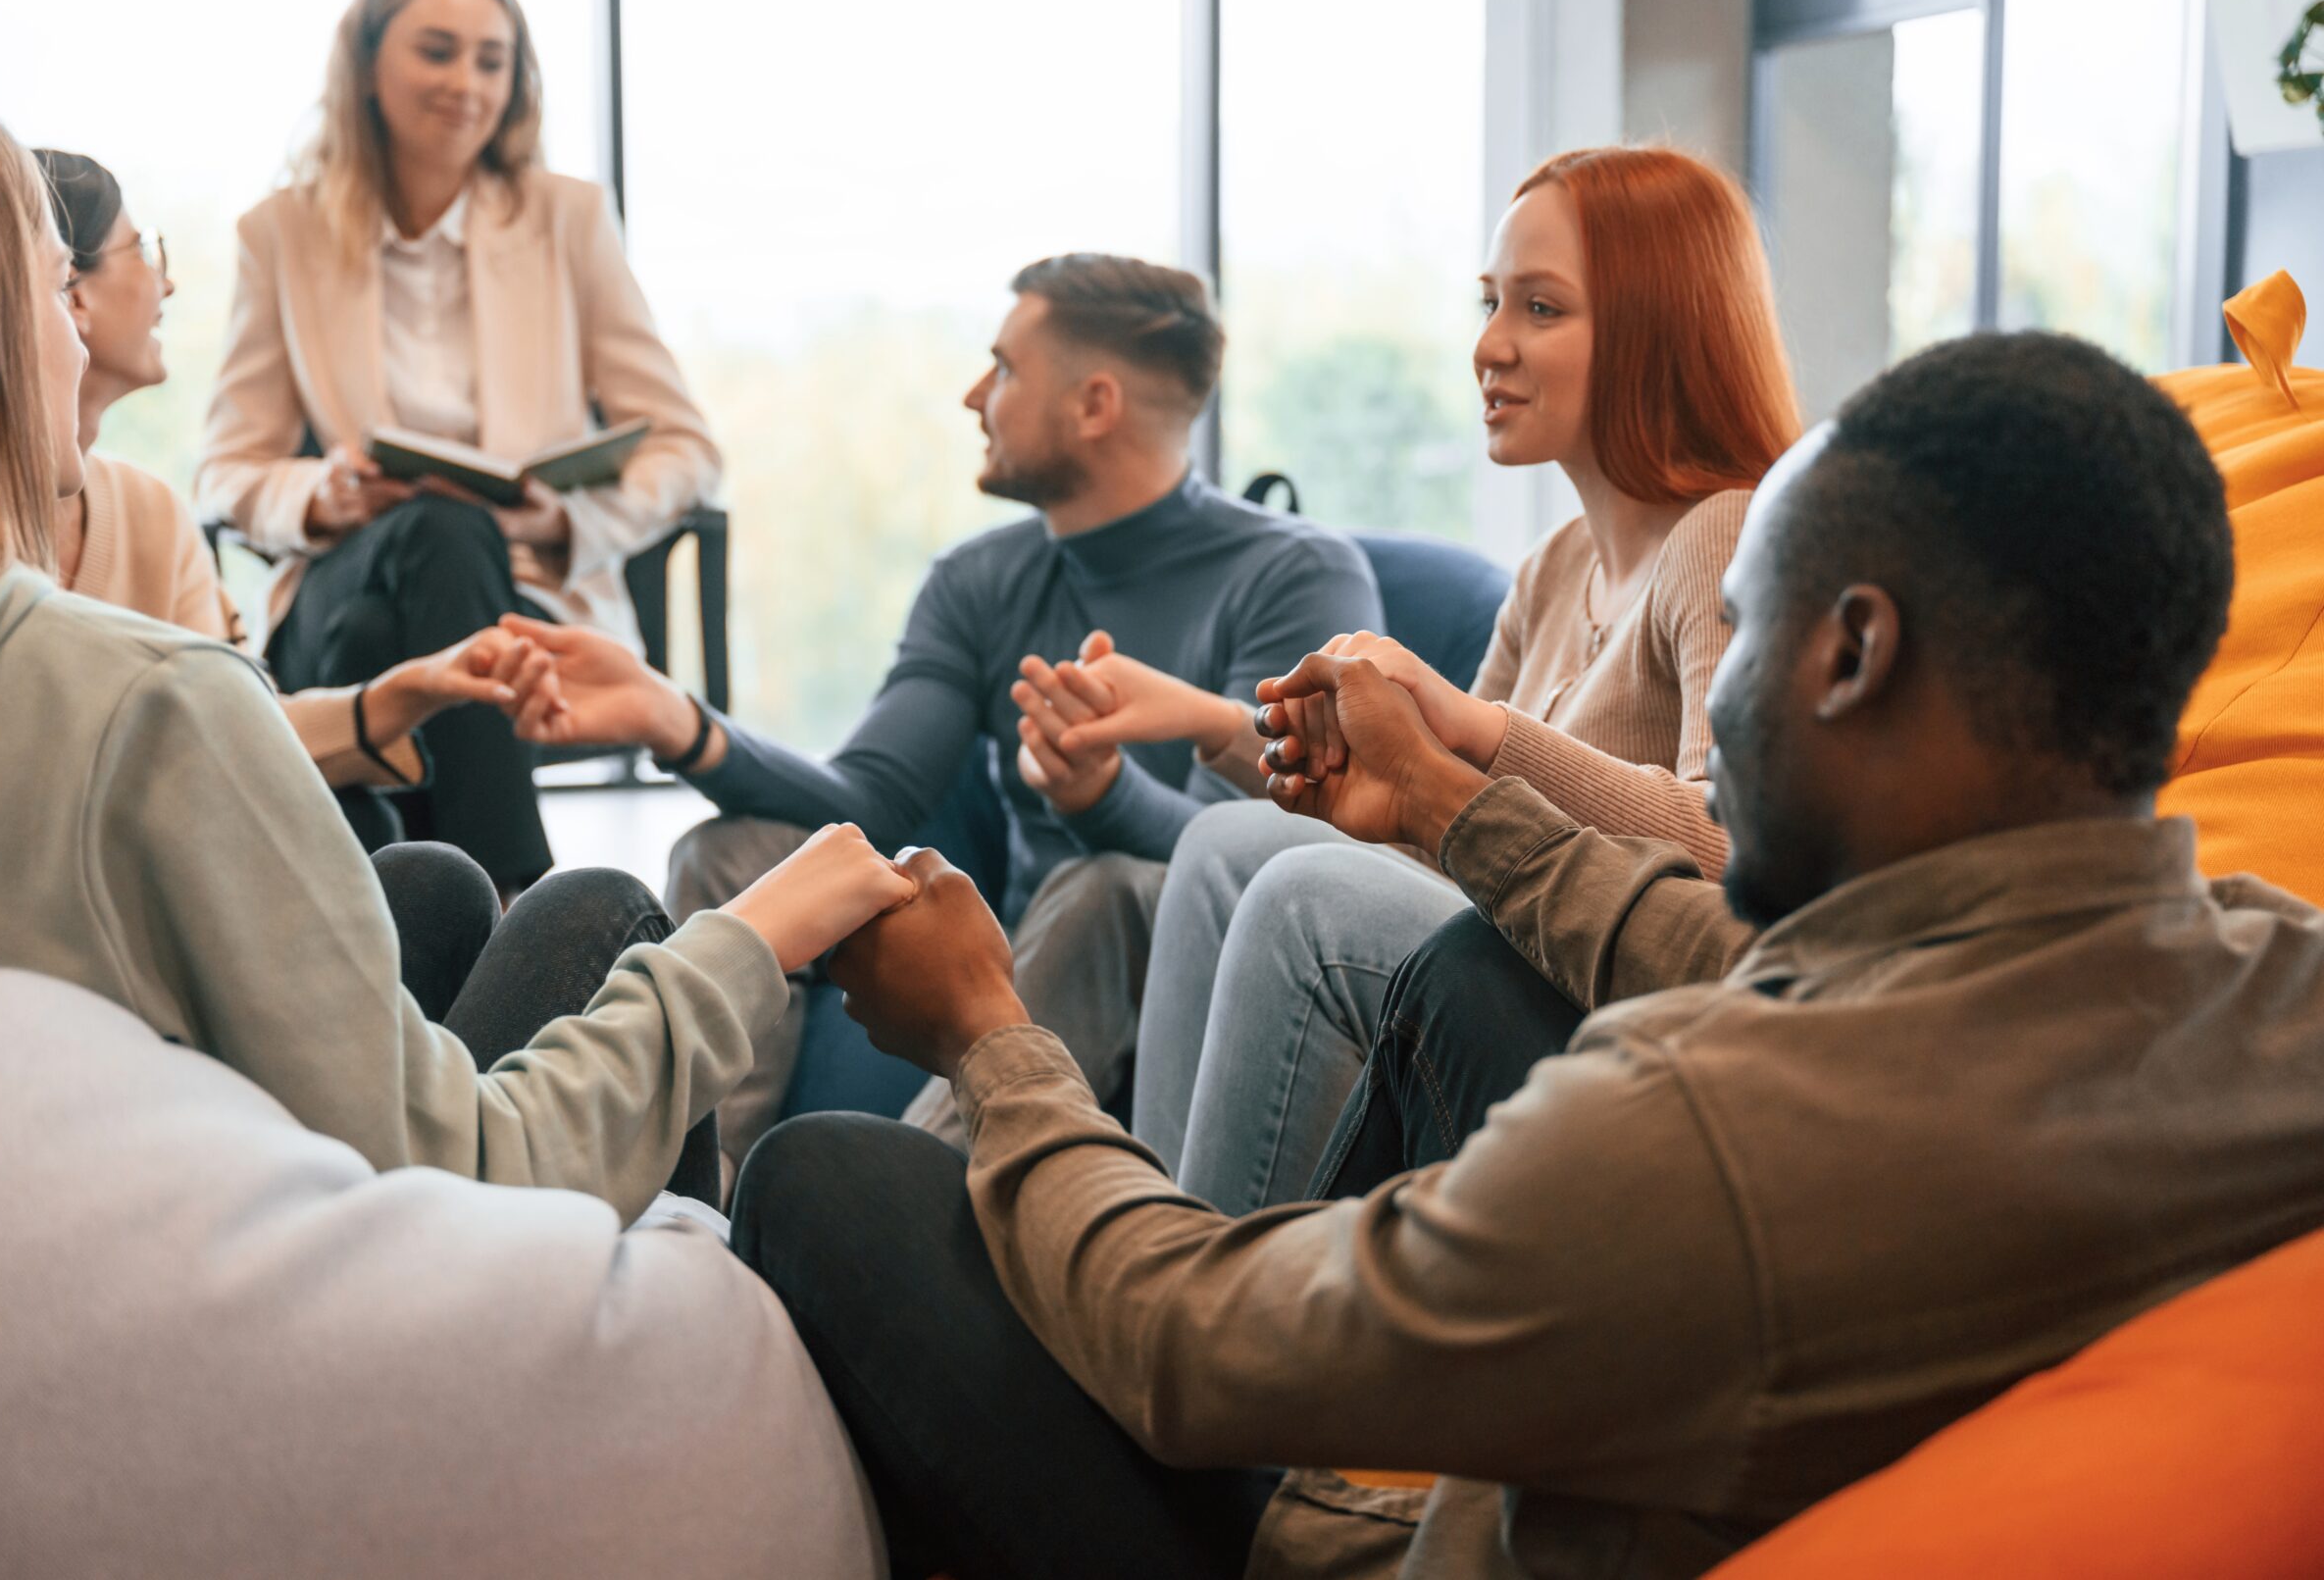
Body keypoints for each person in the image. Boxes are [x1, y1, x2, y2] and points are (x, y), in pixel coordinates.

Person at [730, 331, 2324, 1580]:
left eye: (1751, 631)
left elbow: (1189, 1343)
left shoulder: (1701, 1133)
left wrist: (988, 1036)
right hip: (1745, 1396)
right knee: (1479, 975)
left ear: (1850, 649)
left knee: (829, 1183)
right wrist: (1442, 806)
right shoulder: (2278, 979)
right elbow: (1763, 961)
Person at [0, 73, 903, 1224]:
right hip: (265, 1298)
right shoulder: (154, 703)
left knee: (426, 888)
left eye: (493, 60)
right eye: (54, 288)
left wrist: (516, 557)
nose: (80, 338)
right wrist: (747, 941)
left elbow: (673, 443)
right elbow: (464, 1170)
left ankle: (489, 847)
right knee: (597, 912)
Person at [1020, 146, 1799, 1212]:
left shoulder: (1725, 530)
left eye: (1539, 307)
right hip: (1504, 945)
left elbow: (1731, 841)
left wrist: (1481, 732)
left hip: (1599, 994)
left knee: (1298, 892)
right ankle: (1151, 1249)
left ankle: (1176, 1294)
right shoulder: (1557, 563)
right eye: (1490, 303)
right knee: (1220, 842)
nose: (1489, 345)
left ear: (1659, 325)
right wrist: (1211, 722)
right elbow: (1405, 800)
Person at [520, 253, 1380, 1174]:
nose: (976, 395)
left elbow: (1272, 859)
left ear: (1095, 405)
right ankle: (705, 1202)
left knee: (1108, 889)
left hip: (1174, 962)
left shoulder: (1296, 574)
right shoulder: (979, 581)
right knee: (726, 850)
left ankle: (903, 1208)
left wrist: (1103, 801)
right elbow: (867, 793)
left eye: (1004, 367)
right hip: (1011, 942)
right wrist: (678, 722)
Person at [0, 927, 885, 1579]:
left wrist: (372, 714)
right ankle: (697, 1203)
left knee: (454, 885)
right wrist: (744, 941)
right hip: (638, 1384)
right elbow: (475, 1155)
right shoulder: (130, 684)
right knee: (623, 943)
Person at [197, 0, 721, 893]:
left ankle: (400, 939)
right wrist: (326, 490)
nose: (468, 84)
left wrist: (565, 520)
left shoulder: (568, 220)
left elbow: (684, 447)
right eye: (437, 51)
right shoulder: (281, 235)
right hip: (344, 571)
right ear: (365, 64)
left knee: (397, 613)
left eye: (493, 59)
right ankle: (522, 898)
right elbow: (229, 470)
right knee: (432, 534)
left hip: (516, 594)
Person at [36, 146, 513, 854]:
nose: (165, 284)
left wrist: (415, 689)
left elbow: (244, 724)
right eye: (143, 250)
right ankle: (513, 886)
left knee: (374, 808)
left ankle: (502, 891)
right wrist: (324, 496)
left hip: (195, 831)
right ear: (72, 292)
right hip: (116, 876)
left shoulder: (152, 514)